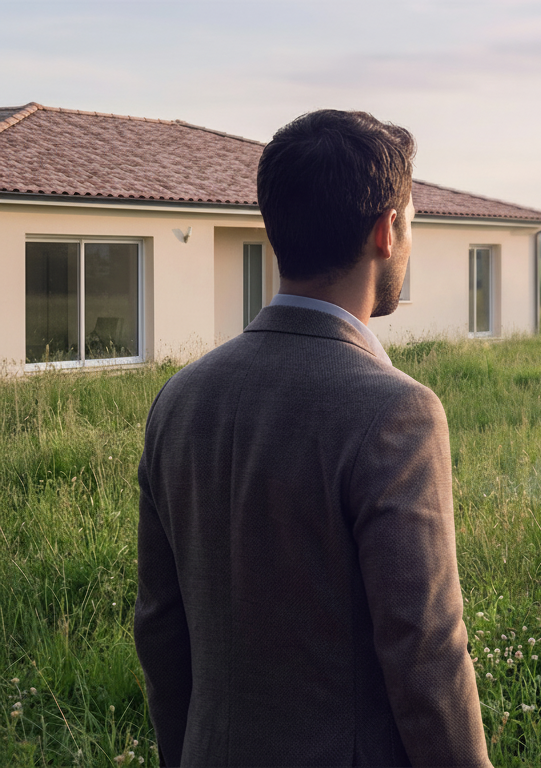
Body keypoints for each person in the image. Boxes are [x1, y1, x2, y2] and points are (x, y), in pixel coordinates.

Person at [135, 110, 490, 767]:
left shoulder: (178, 399)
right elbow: (426, 656)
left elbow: (160, 628)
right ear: (387, 231)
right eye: (411, 224)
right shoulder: (396, 412)